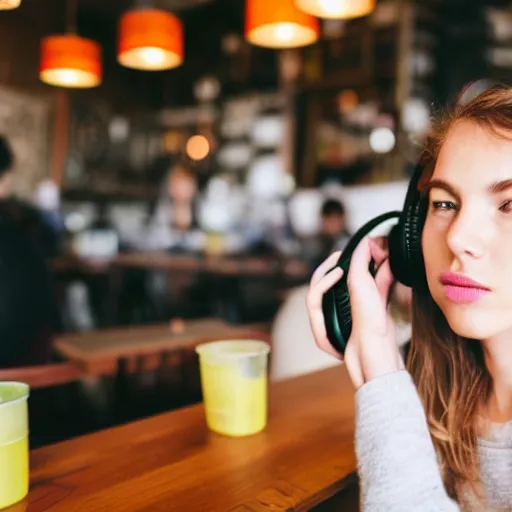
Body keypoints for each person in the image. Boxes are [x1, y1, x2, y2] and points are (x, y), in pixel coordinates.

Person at [306, 84, 512, 510]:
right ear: (410, 235)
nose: (458, 238)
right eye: (443, 203)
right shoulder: (440, 384)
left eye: (509, 205)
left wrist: (381, 380)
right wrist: (376, 356)